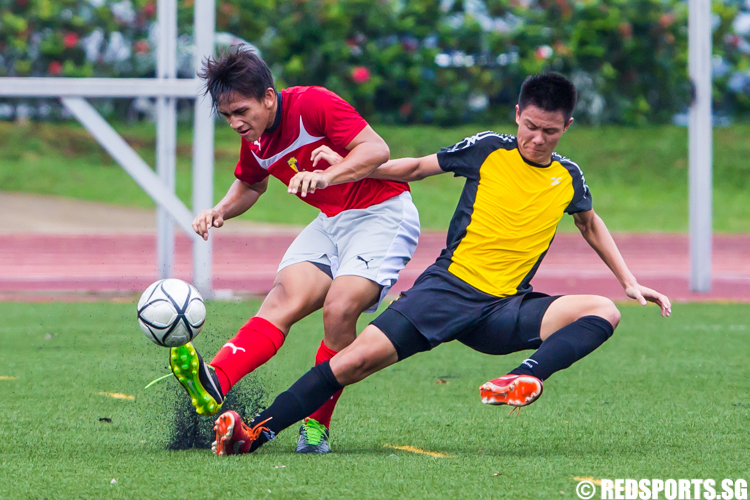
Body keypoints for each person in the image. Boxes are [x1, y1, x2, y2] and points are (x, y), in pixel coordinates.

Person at [204, 72, 672, 456]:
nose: (537, 138)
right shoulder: (489, 148)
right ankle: (255, 433)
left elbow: (590, 224)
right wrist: (349, 164)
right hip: (444, 293)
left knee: (603, 311)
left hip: (506, 309)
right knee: (353, 361)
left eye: (550, 131)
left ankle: (526, 376)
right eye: (530, 126)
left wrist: (629, 282)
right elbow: (412, 168)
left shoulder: (568, 177)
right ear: (517, 115)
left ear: (566, 127)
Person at [169, 46, 420, 454]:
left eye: (241, 111)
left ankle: (316, 425)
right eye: (226, 115)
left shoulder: (314, 104)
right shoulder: (254, 138)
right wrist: (220, 211)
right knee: (283, 299)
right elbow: (251, 184)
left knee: (339, 310)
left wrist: (328, 176)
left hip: (382, 215)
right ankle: (214, 379)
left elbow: (377, 150)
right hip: (332, 222)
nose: (235, 122)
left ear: (269, 97)